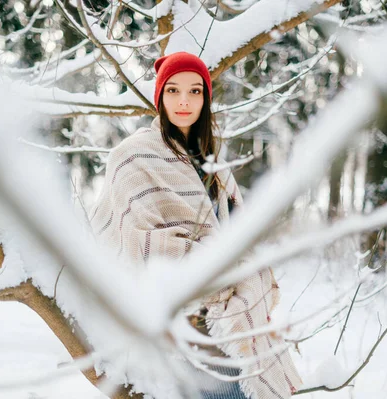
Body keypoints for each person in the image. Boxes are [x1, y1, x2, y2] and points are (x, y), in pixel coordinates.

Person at [90, 52, 301, 399]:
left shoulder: (214, 164)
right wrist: (213, 266)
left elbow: (237, 237)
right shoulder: (132, 157)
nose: (184, 101)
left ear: (206, 97)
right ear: (159, 97)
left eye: (194, 91)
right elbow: (135, 243)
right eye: (172, 91)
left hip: (230, 317)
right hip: (181, 322)